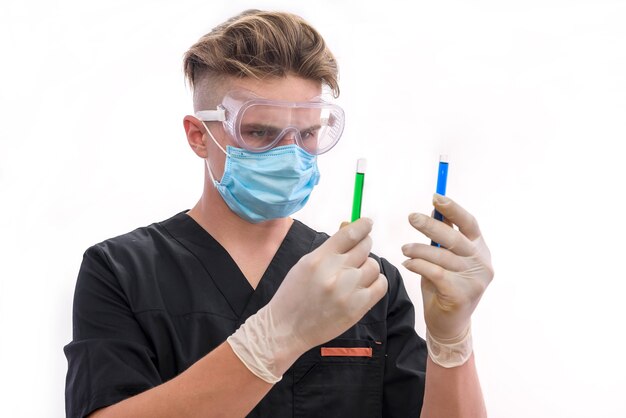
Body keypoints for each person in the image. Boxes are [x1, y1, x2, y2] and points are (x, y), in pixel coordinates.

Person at [64, 9, 494, 418]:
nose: (289, 154)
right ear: (199, 136)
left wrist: (451, 342)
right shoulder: (120, 272)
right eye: (260, 132)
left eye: (307, 133)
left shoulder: (367, 282)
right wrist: (275, 337)